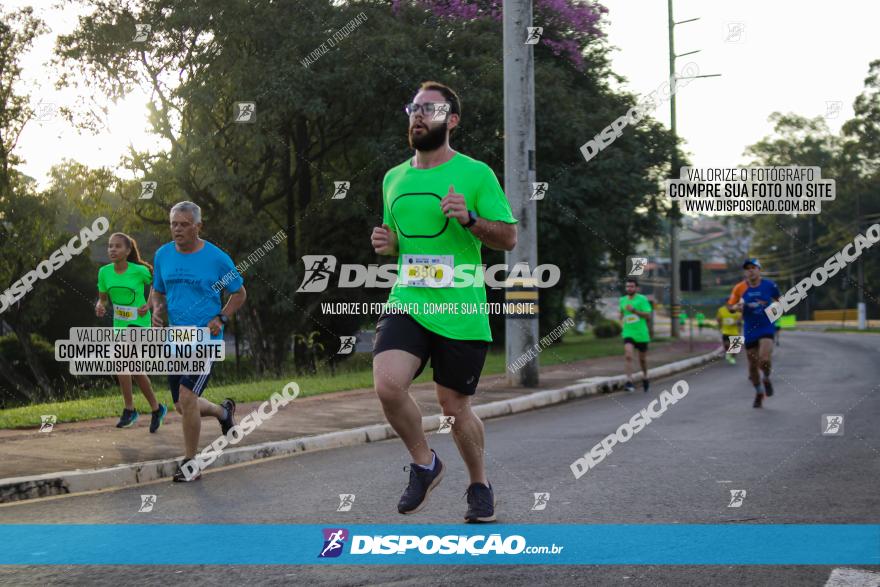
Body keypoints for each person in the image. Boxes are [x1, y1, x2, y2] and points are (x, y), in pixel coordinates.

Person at [370, 81, 518, 523]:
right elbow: (401, 240)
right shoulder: (393, 178)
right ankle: (424, 463)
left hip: (460, 306)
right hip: (410, 298)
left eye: (430, 108)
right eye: (413, 108)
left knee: (455, 408)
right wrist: (388, 244)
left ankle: (479, 483)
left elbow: (509, 237)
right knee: (387, 383)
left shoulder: (476, 174)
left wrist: (471, 220)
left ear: (451, 120)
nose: (418, 115)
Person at [151, 201, 247, 482]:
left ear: (197, 226)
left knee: (187, 397)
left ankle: (191, 463)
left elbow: (239, 293)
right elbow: (157, 291)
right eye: (173, 224)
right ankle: (222, 411)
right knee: (183, 406)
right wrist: (157, 309)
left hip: (205, 338)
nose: (177, 230)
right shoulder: (162, 255)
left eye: (183, 224)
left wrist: (222, 317)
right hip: (176, 338)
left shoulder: (217, 258)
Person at [96, 232, 166, 431]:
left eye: (118, 246)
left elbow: (157, 283)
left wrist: (150, 302)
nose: (112, 249)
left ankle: (129, 409)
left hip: (139, 324)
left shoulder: (139, 270)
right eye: (110, 246)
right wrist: (99, 305)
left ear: (127, 251)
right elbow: (103, 298)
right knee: (134, 369)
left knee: (121, 360)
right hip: (120, 325)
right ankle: (156, 408)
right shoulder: (104, 272)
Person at [727, 259, 780, 408]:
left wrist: (775, 309)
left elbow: (780, 301)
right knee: (752, 367)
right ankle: (758, 392)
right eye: (747, 268)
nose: (750, 270)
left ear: (759, 270)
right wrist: (736, 307)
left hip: (766, 327)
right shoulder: (739, 288)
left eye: (753, 267)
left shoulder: (770, 285)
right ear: (745, 272)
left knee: (764, 359)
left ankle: (767, 378)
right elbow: (730, 306)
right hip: (750, 329)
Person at [619, 278, 652, 392]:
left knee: (642, 360)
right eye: (627, 286)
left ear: (636, 288)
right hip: (628, 332)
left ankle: (645, 376)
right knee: (628, 355)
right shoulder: (622, 300)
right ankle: (629, 381)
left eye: (632, 286)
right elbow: (621, 314)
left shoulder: (642, 299)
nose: (629, 288)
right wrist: (621, 324)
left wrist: (634, 311)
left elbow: (648, 316)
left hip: (641, 334)